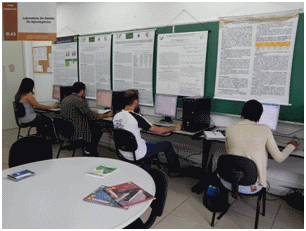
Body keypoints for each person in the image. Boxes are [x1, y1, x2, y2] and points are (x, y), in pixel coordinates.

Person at [223, 99, 299, 194]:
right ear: (260, 115)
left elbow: (229, 152)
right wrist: (292, 146)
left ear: (242, 112)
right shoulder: (265, 129)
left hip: (227, 181)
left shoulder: (230, 128)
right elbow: (279, 158)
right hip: (250, 186)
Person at [113, 89, 182, 176]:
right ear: (135, 101)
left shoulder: (116, 116)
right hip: (137, 154)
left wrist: (137, 129)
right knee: (167, 144)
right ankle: (175, 171)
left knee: (146, 143)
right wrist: (175, 127)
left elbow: (124, 130)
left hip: (123, 153)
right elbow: (159, 131)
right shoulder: (137, 117)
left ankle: (146, 168)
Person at [60, 82, 113, 156]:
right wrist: (107, 115)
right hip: (77, 131)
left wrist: (90, 111)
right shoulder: (79, 100)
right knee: (98, 128)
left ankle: (89, 149)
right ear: (82, 91)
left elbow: (78, 112)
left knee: (94, 125)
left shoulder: (65, 99)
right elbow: (93, 116)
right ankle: (89, 150)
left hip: (67, 130)